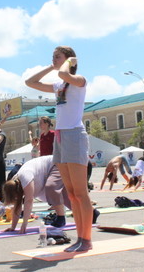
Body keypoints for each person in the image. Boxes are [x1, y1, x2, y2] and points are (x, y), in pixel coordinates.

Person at [25, 45, 93, 252]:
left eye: (58, 56)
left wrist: (67, 64)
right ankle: (80, 239)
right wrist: (50, 66)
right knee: (71, 194)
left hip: (74, 134)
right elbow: (30, 82)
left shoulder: (79, 80)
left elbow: (65, 73)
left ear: (69, 60)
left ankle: (86, 239)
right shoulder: (58, 84)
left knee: (81, 193)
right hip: (61, 136)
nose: (54, 59)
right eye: (52, 56)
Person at [3, 155, 73, 233]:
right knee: (67, 200)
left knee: (51, 187)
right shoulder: (14, 183)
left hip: (55, 163)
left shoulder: (25, 178)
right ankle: (86, 216)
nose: (16, 199)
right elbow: (17, 206)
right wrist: (13, 227)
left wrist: (24, 224)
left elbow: (29, 201)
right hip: (45, 174)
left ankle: (61, 218)